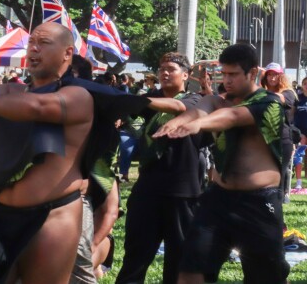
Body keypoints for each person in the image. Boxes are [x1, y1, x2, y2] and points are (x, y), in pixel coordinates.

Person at [0, 22, 146, 284]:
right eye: (31, 42)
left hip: (54, 217)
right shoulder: (7, 90)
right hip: (0, 214)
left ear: (67, 53)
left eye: (44, 43)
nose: (34, 48)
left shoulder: (78, 97)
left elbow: (35, 107)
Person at [153, 43, 290, 284]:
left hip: (259, 202)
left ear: (253, 72)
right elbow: (200, 109)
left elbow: (233, 117)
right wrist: (180, 121)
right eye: (224, 73)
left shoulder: (269, 102)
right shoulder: (217, 101)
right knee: (190, 272)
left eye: (233, 74)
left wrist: (198, 125)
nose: (227, 80)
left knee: (266, 277)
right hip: (218, 198)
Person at [116, 52, 210, 284]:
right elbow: (126, 114)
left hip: (182, 192)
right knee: (135, 259)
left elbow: (178, 106)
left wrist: (136, 101)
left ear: (186, 75)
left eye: (171, 69)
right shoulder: (149, 99)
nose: (165, 73)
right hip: (147, 189)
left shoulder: (196, 100)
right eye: (162, 69)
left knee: (178, 262)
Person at [262, 63, 297, 200]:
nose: (272, 78)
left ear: (281, 76)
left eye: (275, 75)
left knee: (278, 174)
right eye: (269, 74)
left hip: (283, 140)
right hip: (264, 139)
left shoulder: (288, 93)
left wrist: (259, 95)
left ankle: (277, 203)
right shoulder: (261, 93)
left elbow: (279, 99)